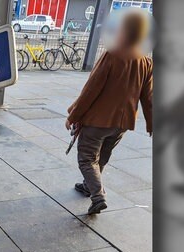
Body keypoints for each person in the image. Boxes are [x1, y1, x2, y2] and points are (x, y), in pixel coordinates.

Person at [66, 11, 153, 215]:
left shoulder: (112, 55)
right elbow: (148, 98)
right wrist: (151, 123)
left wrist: (73, 115)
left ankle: (98, 195)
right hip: (122, 124)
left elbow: (91, 89)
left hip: (98, 121)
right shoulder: (146, 62)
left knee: (87, 157)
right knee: (102, 156)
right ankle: (90, 186)